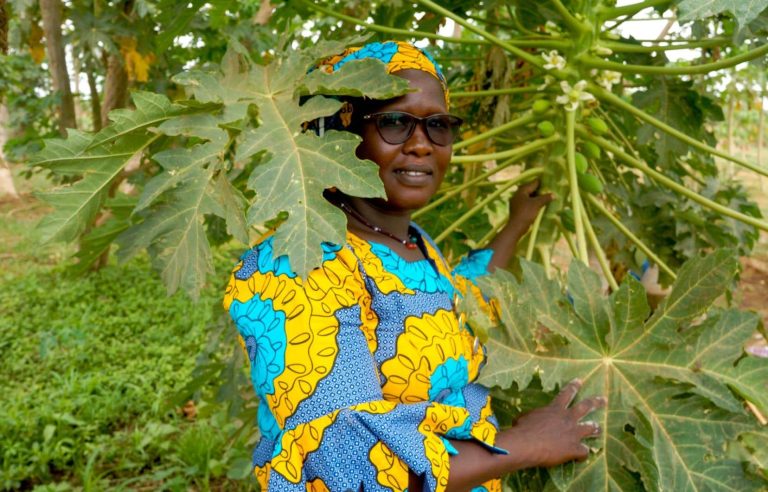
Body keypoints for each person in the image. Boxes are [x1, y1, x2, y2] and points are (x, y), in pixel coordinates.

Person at [223, 41, 605, 492]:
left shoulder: (412, 242)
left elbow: (463, 304)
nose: (421, 145)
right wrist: (523, 443)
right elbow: (346, 466)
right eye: (394, 122)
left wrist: (516, 224)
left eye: (438, 126)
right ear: (338, 132)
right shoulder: (297, 266)